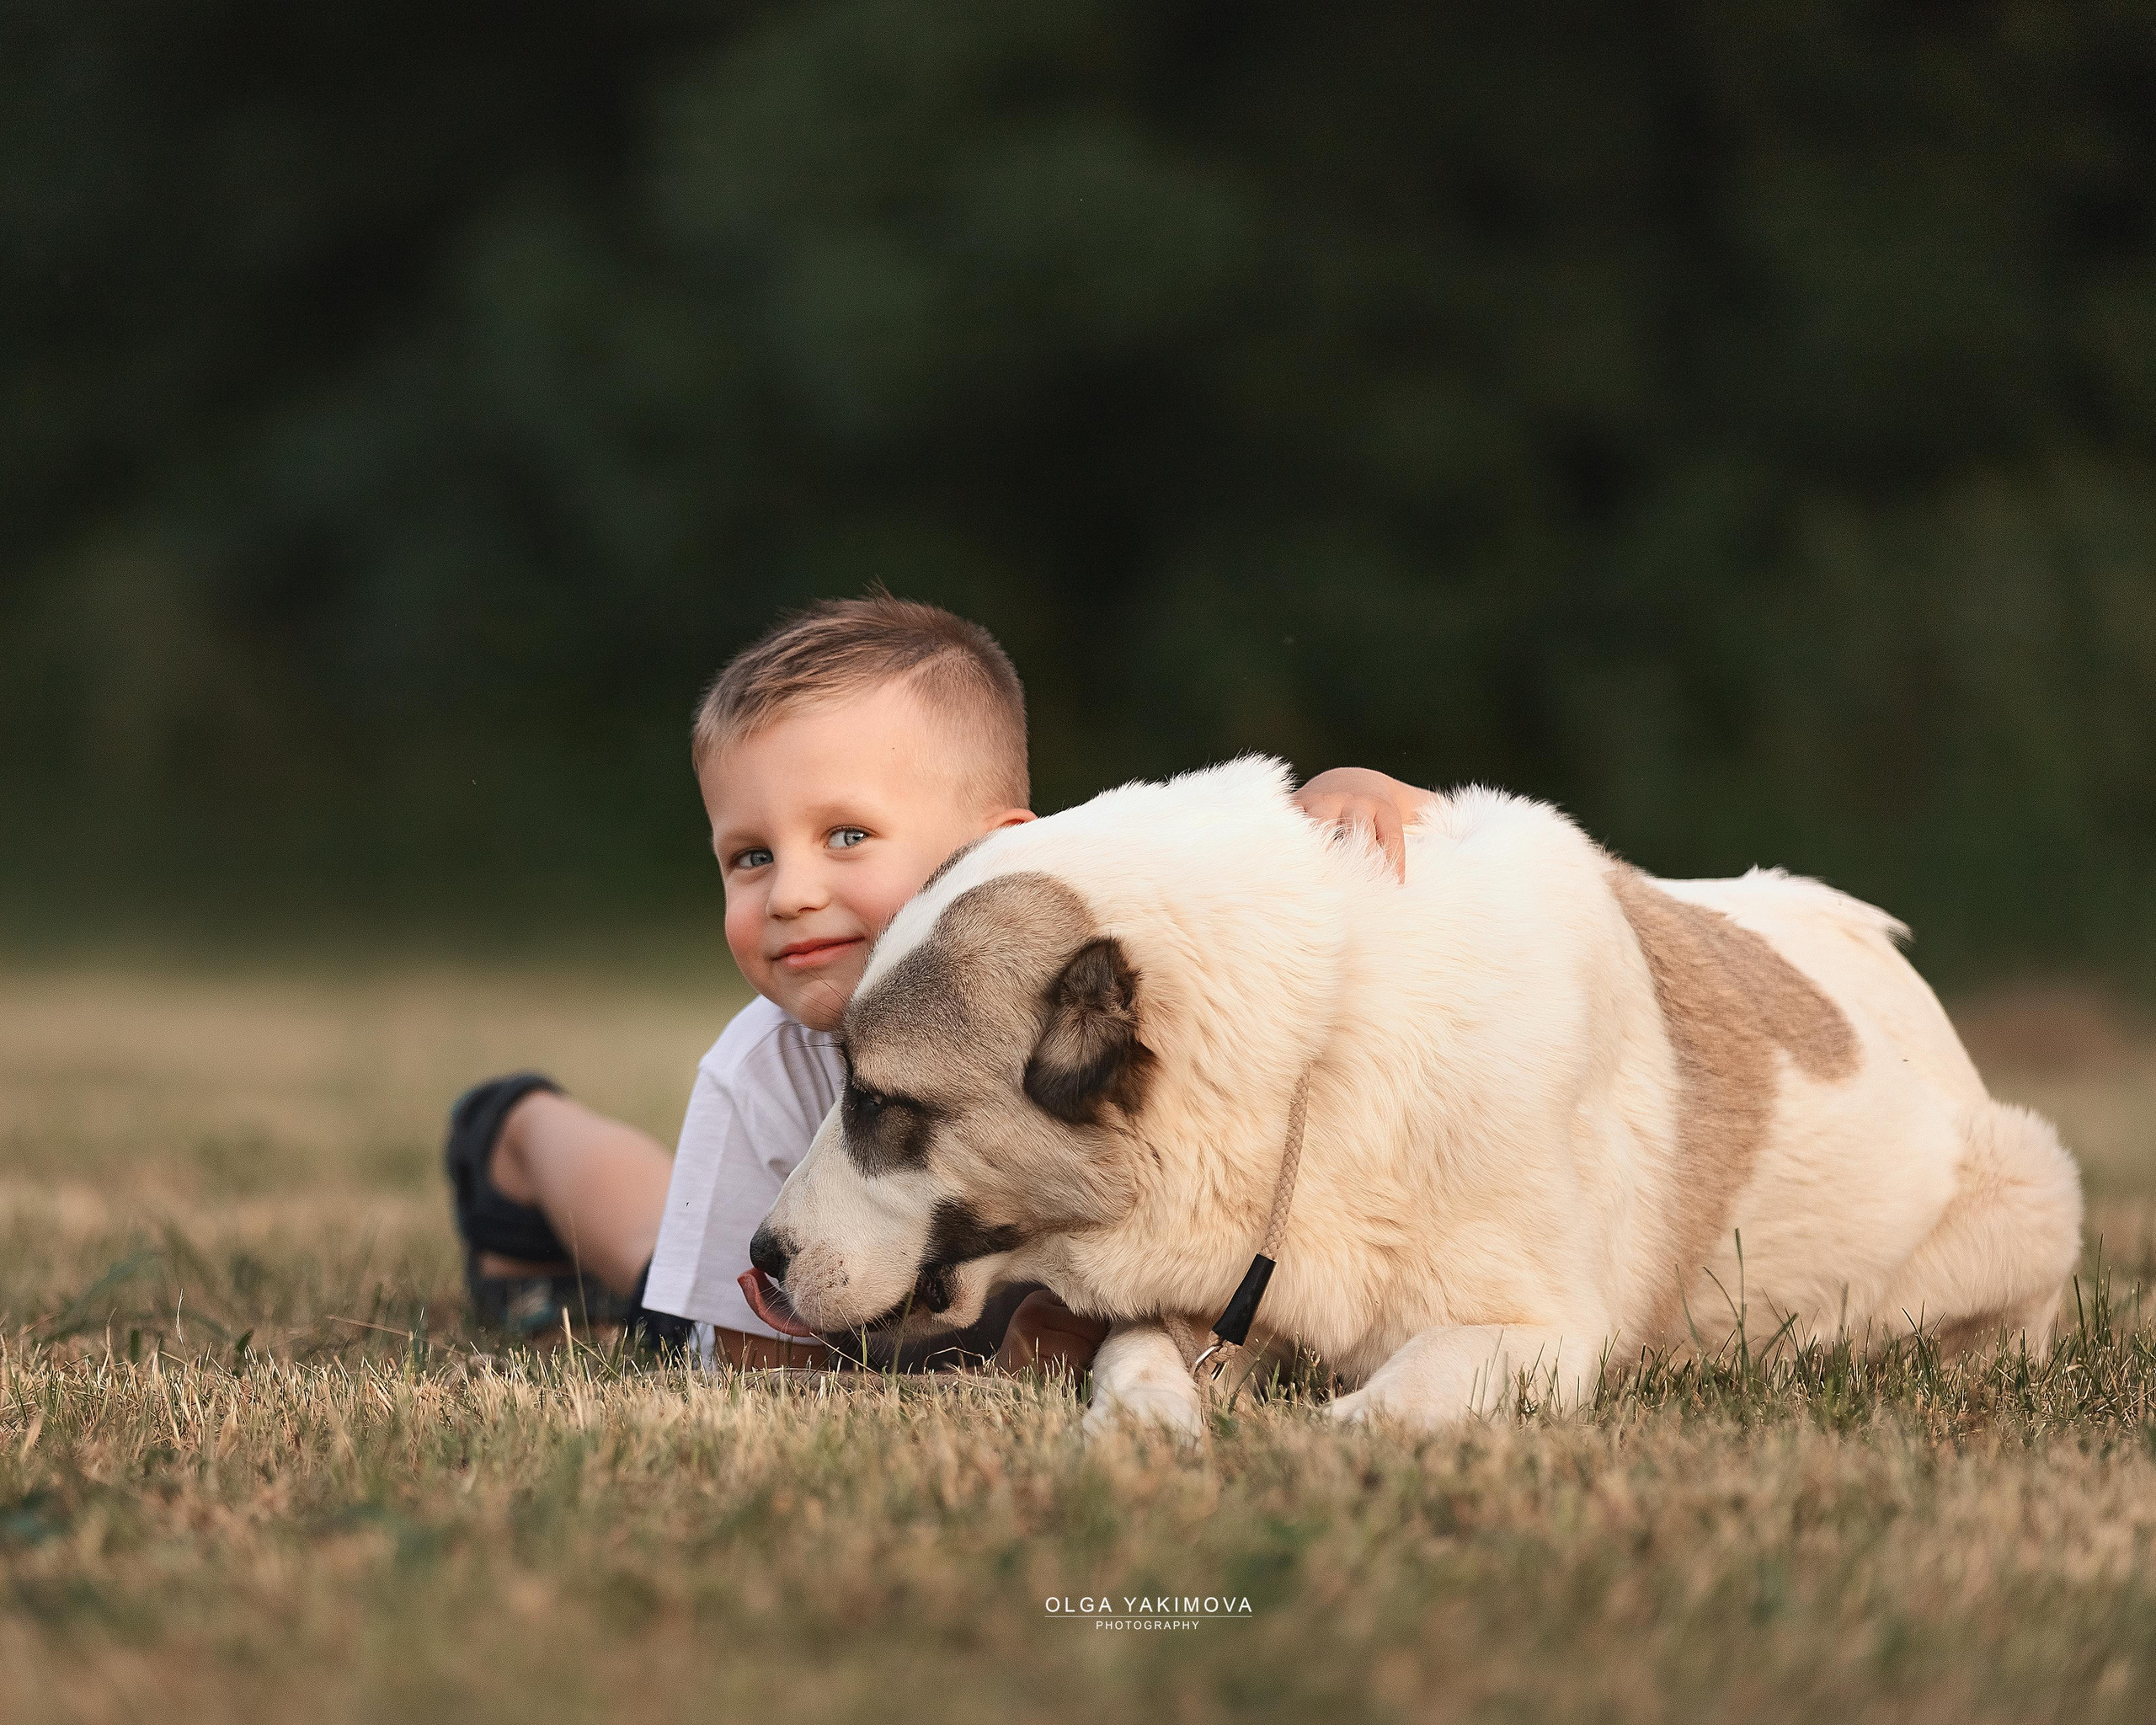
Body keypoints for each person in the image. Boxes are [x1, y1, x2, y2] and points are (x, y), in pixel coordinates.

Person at [442, 594, 1433, 1376]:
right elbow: (756, 1357)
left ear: (999, 856)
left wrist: (1358, 787)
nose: (790, 892)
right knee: (649, 1241)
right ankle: (517, 1135)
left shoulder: (1064, 982)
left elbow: (1238, 868)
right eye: (747, 855)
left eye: (845, 836)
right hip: (778, 1293)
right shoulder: (763, 1066)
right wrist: (970, 1364)